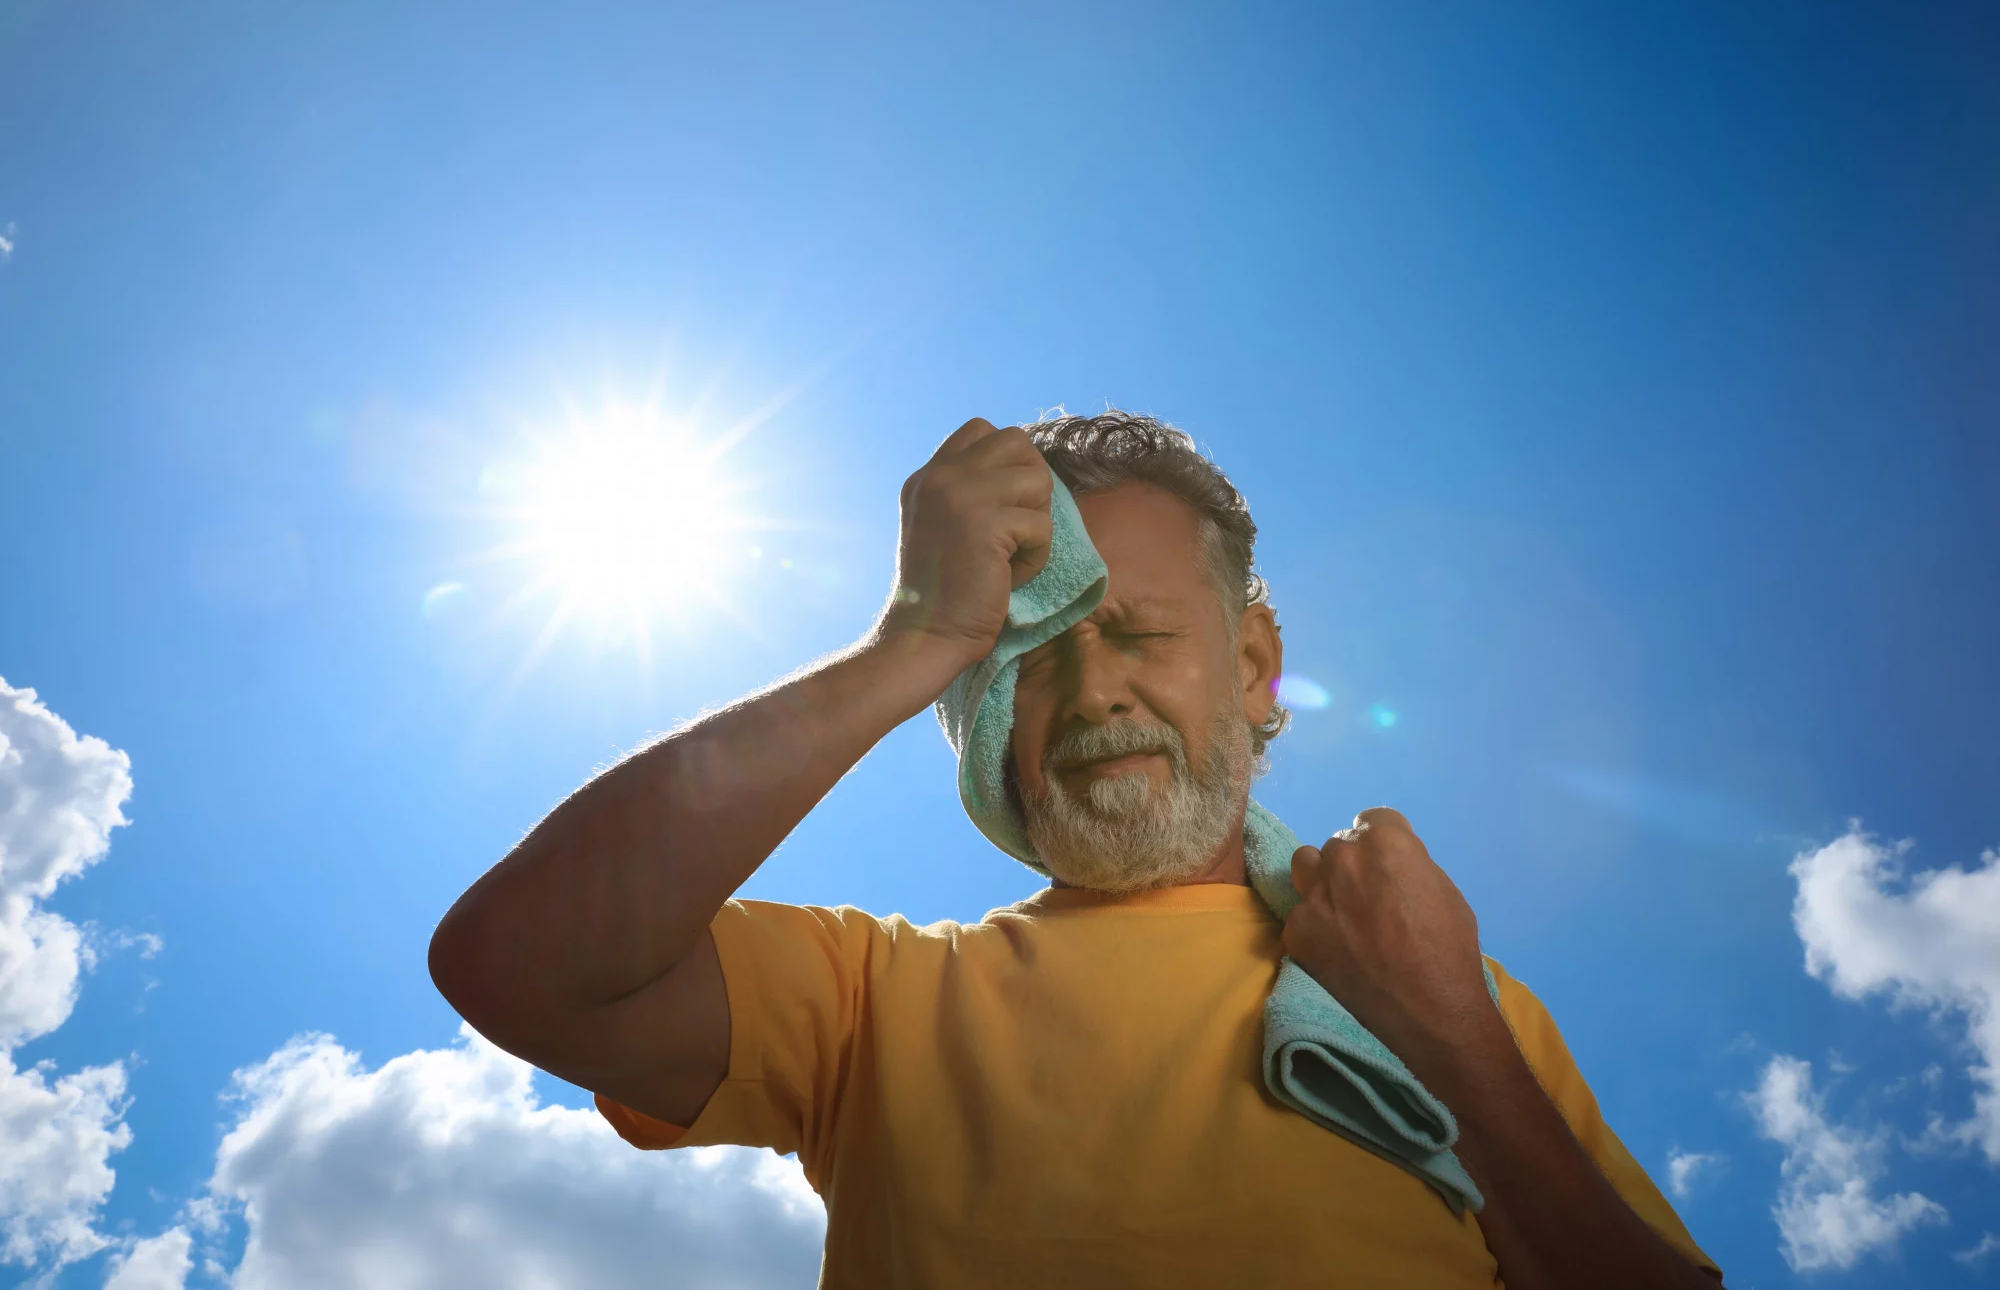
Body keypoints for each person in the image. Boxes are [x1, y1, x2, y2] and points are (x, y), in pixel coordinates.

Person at [429, 411, 1724, 1288]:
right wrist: (917, 639)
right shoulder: (870, 1000)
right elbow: (519, 966)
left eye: (1143, 633)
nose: (1096, 690)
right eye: (1027, 657)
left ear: (1257, 664)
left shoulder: (1461, 1002)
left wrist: (1453, 1031)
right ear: (974, 715)